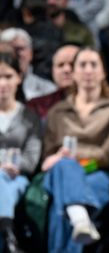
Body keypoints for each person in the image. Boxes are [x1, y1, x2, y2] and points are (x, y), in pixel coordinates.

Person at [41, 48, 109, 252]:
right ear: (74, 73)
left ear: (103, 72)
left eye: (94, 65)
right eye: (82, 65)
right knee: (65, 168)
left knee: (61, 209)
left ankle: (78, 216)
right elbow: (47, 155)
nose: (88, 70)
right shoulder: (57, 112)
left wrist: (71, 155)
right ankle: (80, 219)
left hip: (99, 173)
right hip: (60, 174)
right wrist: (63, 160)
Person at [0, 52, 42, 251]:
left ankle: (6, 233)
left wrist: (12, 166)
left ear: (19, 77)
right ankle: (8, 233)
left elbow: (32, 158)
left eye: (7, 76)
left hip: (19, 177)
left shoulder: (30, 117)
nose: (2, 83)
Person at [0, 27, 57, 101]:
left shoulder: (48, 90)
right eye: (9, 50)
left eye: (19, 49)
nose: (15, 54)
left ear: (30, 53)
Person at [26, 44, 80, 119]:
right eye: (60, 65)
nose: (66, 70)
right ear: (52, 71)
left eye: (72, 64)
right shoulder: (37, 106)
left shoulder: (98, 104)